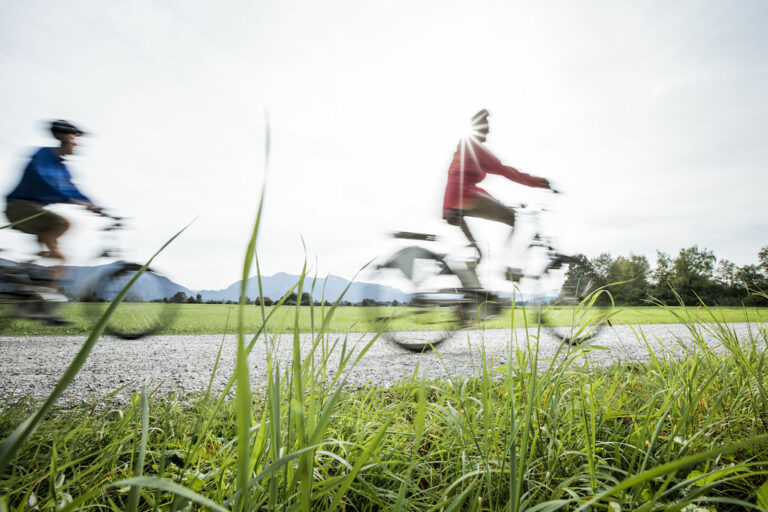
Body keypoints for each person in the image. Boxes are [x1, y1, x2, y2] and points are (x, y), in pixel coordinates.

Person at [442, 109, 553, 277]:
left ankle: (467, 295)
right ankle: (508, 267)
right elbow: (505, 171)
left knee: (477, 254)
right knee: (511, 216)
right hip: (464, 198)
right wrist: (540, 182)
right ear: (478, 127)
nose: (489, 130)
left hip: (451, 204)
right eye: (486, 126)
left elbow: (459, 178)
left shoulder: (464, 149)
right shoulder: (475, 148)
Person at [5, 120, 102, 261]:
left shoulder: (63, 169)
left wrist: (93, 205)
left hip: (33, 210)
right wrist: (69, 199)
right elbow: (41, 178)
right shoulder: (44, 155)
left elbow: (72, 190)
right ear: (64, 138)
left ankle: (35, 267)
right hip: (19, 208)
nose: (76, 145)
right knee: (61, 224)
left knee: (49, 232)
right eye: (74, 140)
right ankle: (52, 255)